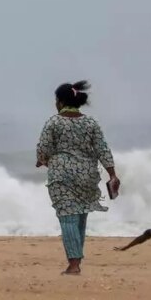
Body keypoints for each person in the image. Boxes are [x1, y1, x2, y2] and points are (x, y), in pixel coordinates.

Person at [36, 81, 119, 275]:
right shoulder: (90, 123)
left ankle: (74, 265)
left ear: (61, 102)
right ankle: (76, 260)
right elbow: (102, 149)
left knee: (67, 219)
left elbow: (43, 149)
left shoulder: (53, 122)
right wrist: (112, 174)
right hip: (87, 176)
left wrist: (42, 160)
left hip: (61, 176)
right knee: (81, 218)